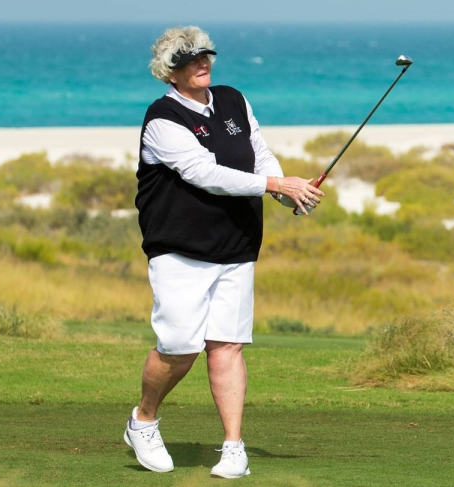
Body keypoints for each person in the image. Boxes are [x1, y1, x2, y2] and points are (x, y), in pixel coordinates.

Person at [124, 25, 324, 479]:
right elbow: (204, 173)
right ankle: (144, 419)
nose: (202, 63)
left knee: (227, 346)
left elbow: (258, 153)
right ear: (169, 73)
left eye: (206, 55)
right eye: (190, 60)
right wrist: (277, 184)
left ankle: (234, 446)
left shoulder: (233, 99)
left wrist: (282, 191)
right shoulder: (162, 118)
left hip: (236, 246)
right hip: (179, 249)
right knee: (179, 347)